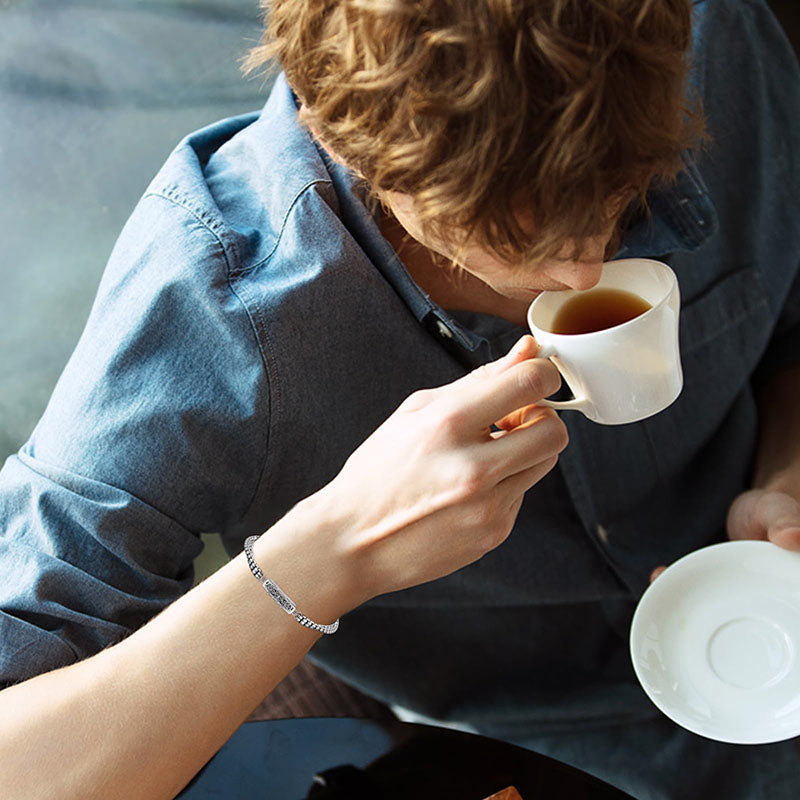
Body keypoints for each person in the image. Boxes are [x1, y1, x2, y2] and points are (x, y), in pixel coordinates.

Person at [1, 0, 799, 797]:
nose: (586, 269)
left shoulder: (712, 37)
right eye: (513, 229)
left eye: (625, 196)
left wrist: (786, 479)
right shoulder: (211, 313)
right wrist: (332, 551)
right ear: (339, 136)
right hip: (526, 750)